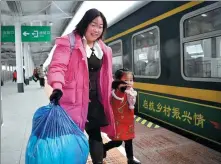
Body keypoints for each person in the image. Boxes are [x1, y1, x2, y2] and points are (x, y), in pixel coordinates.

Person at [47, 8, 115, 164]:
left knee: (95, 135)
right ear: (85, 23)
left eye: (100, 26)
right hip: (73, 101)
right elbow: (57, 67)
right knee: (73, 140)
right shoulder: (69, 42)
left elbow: (105, 75)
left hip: (94, 100)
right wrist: (57, 87)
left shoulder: (103, 49)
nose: (97, 29)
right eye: (93, 24)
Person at [103, 68, 141, 164]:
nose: (129, 83)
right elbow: (118, 98)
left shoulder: (131, 91)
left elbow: (131, 104)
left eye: (131, 80)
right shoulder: (117, 92)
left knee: (129, 140)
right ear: (118, 81)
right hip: (119, 121)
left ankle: (130, 159)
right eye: (125, 80)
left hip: (128, 121)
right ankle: (104, 147)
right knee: (118, 141)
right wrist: (120, 88)